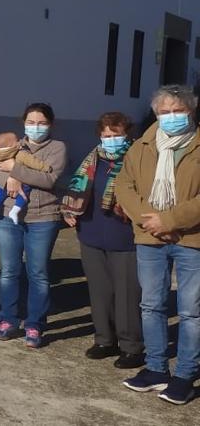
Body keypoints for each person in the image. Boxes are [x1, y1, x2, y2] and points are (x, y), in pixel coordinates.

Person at [115, 85, 200, 405]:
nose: (171, 117)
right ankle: (156, 369)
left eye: (178, 111)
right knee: (151, 305)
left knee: (191, 311)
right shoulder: (143, 145)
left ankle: (185, 374)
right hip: (149, 237)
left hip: (192, 238)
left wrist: (171, 220)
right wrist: (147, 220)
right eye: (164, 112)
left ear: (191, 110)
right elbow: (124, 184)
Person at [61, 112, 144, 371]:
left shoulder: (137, 159)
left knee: (127, 295)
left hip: (125, 237)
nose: (111, 139)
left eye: (116, 134)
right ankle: (105, 340)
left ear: (127, 134)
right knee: (100, 292)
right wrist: (69, 210)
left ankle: (131, 347)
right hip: (92, 233)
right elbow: (76, 188)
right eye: (106, 135)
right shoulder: (92, 159)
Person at [0, 103, 67, 349]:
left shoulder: (57, 148)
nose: (36, 127)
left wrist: (15, 170)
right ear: (23, 123)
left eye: (41, 122)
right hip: (9, 217)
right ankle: (8, 319)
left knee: (38, 273)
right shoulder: (12, 143)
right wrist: (9, 177)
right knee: (9, 271)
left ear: (50, 124)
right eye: (31, 122)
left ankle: (35, 323)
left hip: (43, 217)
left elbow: (49, 178)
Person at [0, 133, 40, 223]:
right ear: (12, 145)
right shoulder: (21, 153)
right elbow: (33, 163)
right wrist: (44, 167)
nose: (19, 142)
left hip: (0, 185)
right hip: (21, 184)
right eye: (17, 141)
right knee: (23, 194)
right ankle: (15, 211)